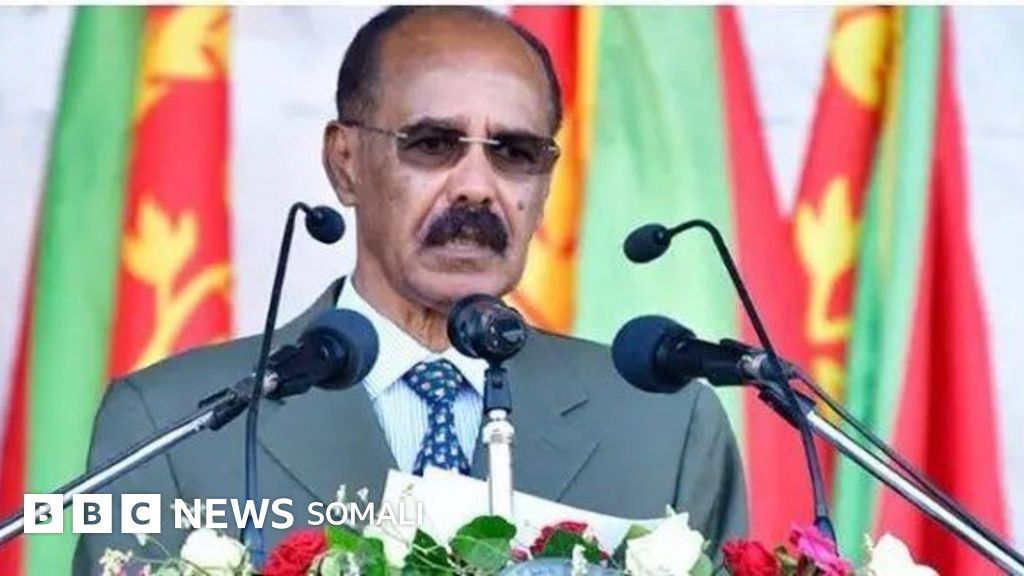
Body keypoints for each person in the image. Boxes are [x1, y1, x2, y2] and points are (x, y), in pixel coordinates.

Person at [74, 6, 746, 573]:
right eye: (432, 144)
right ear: (345, 164)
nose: (476, 187)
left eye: (514, 153)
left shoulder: (665, 426)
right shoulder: (169, 425)